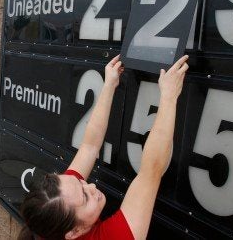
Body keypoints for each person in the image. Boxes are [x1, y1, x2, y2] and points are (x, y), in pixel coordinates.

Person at [19, 54, 189, 240]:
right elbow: (152, 171)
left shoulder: (61, 204)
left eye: (81, 183)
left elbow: (89, 146)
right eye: (85, 197)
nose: (90, 185)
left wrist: (109, 85)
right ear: (74, 232)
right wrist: (169, 96)